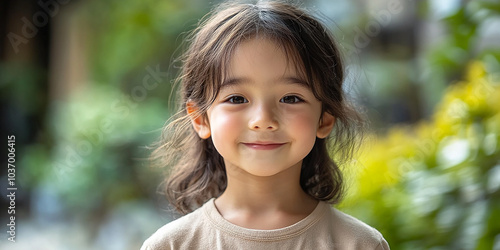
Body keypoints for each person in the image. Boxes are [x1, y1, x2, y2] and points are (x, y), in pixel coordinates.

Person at [142, 1, 389, 249]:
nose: (263, 120)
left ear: (324, 119)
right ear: (201, 119)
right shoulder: (170, 245)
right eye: (236, 98)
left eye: (290, 98)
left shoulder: (360, 244)